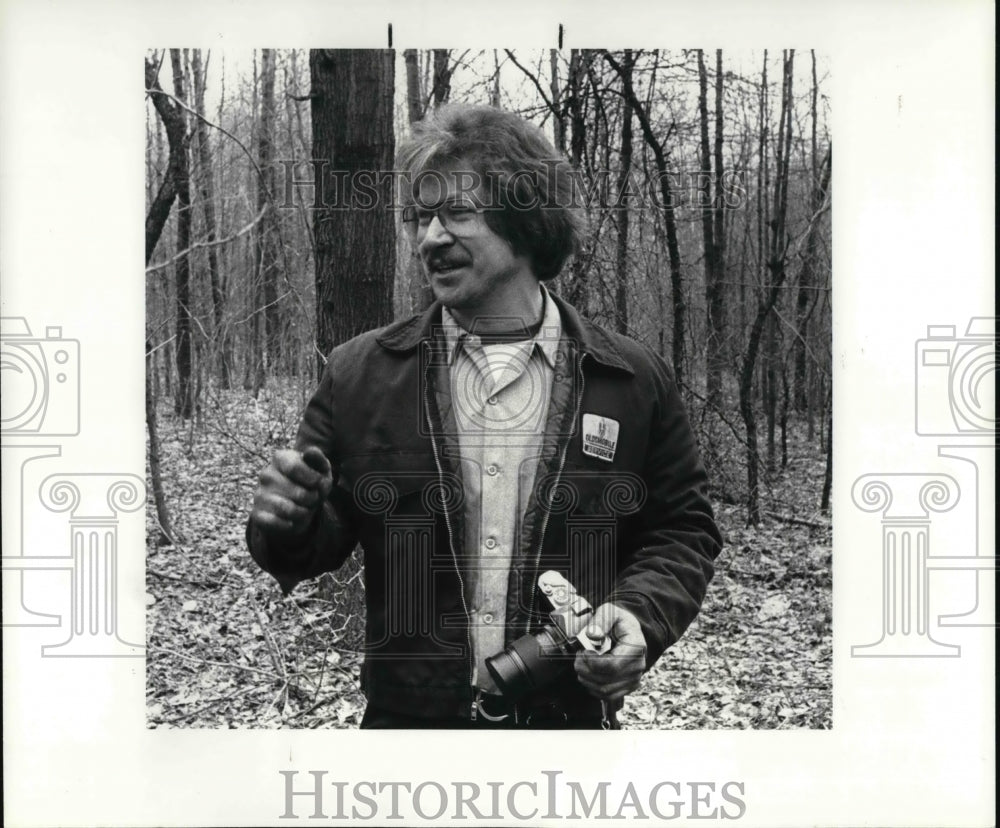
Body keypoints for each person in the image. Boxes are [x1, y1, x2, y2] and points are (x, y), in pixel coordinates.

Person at [247, 103, 722, 729]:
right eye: (421, 217)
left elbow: (681, 530)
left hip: (567, 735)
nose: (430, 237)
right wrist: (289, 520)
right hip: (408, 738)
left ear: (525, 223)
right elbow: (309, 547)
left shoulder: (629, 379)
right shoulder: (360, 373)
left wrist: (639, 615)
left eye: (457, 214)